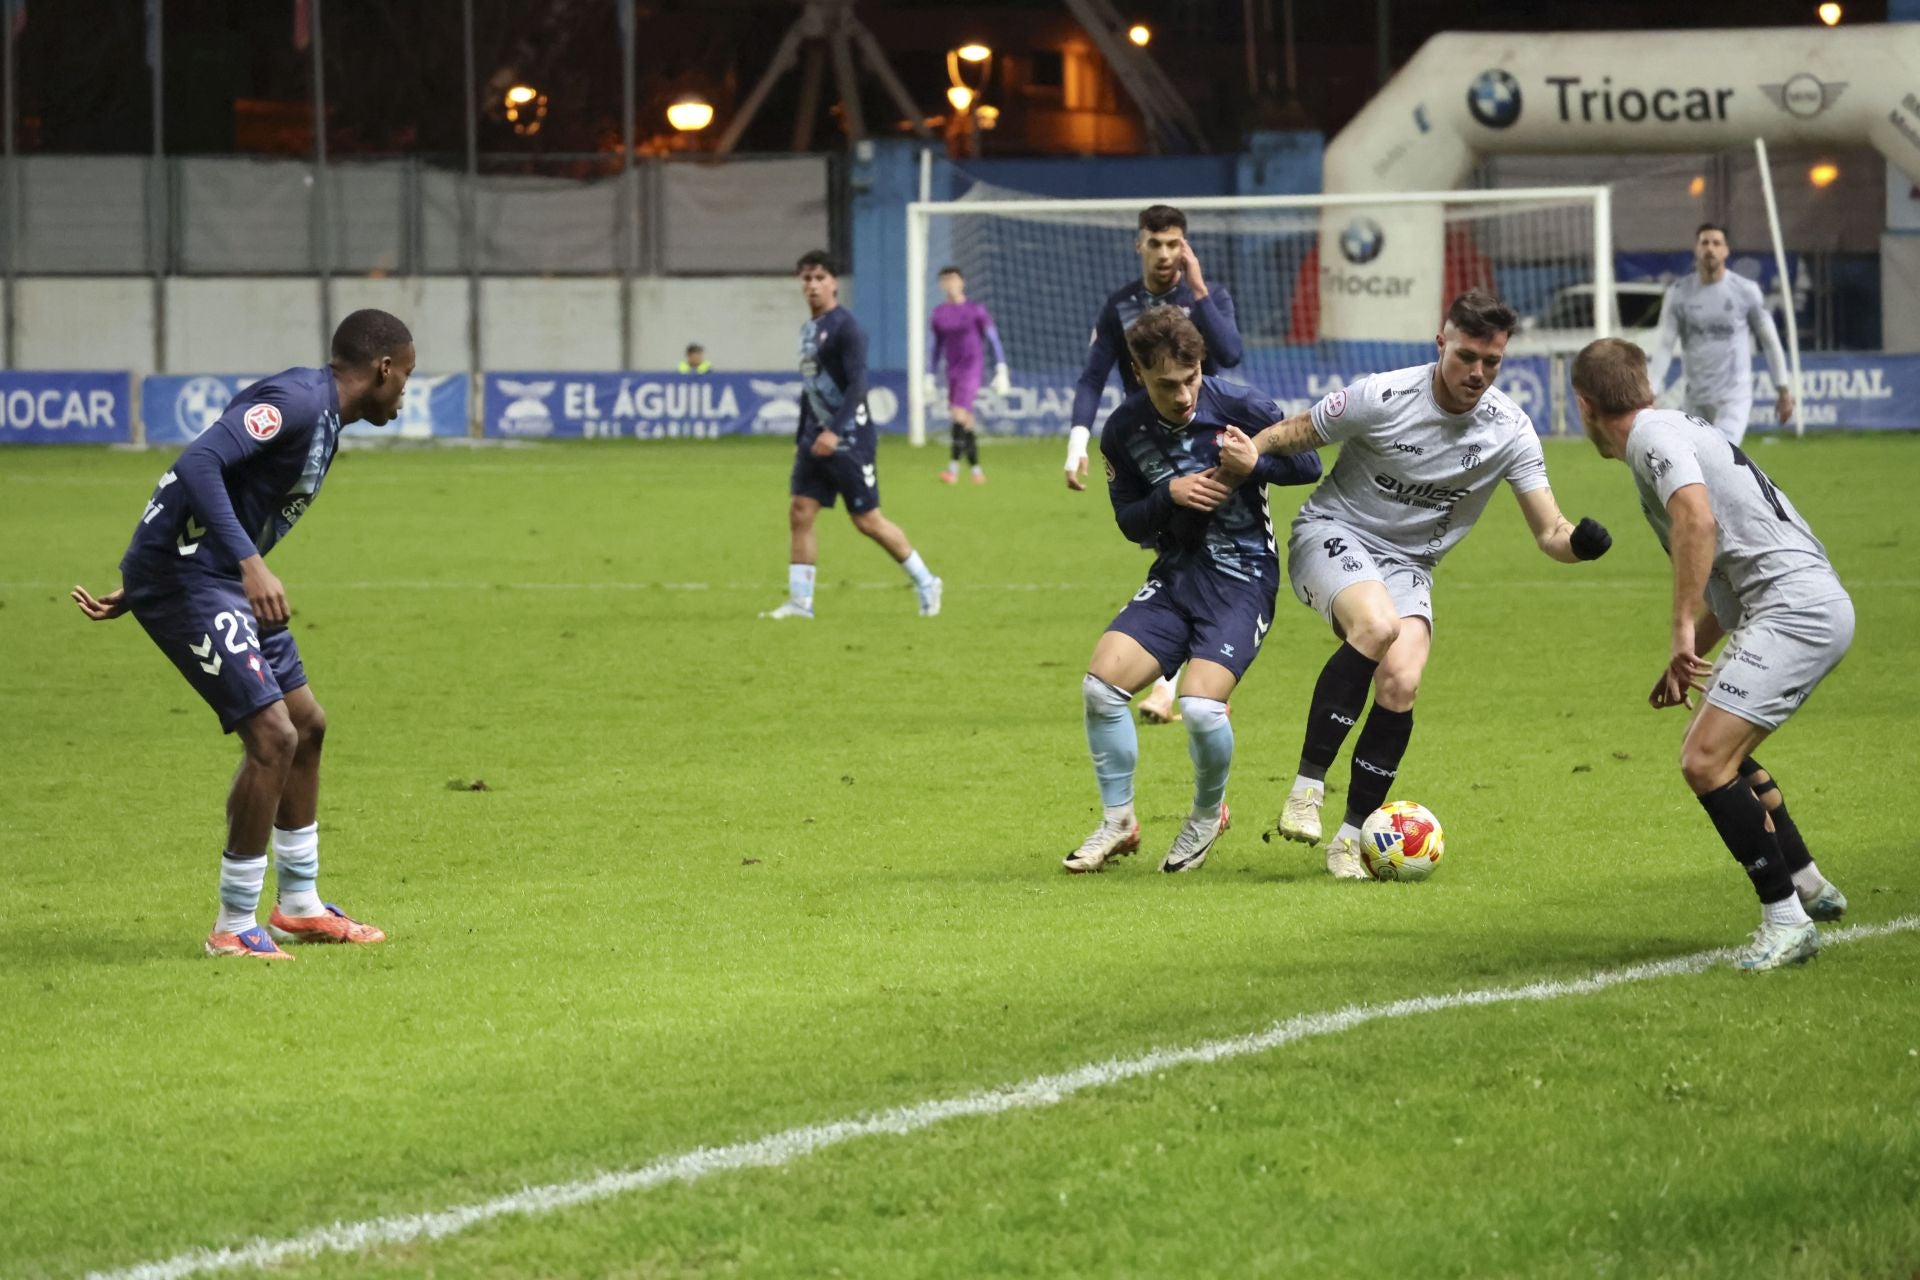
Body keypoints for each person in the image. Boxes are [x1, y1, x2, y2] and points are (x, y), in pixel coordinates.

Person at [69, 309, 416, 960]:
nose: (406, 393)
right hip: (198, 579)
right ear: (383, 368)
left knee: (307, 725)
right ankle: (232, 925)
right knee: (273, 736)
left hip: (207, 574)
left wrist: (150, 568)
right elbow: (198, 463)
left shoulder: (322, 415)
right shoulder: (298, 402)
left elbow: (217, 480)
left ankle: (300, 906)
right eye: (407, 378)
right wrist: (212, 568)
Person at [1244, 290, 1614, 879]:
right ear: (1441, 343)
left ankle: (1349, 839)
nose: (1478, 373)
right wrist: (1250, 453)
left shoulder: (1510, 431)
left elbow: (1550, 531)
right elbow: (1299, 431)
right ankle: (1306, 790)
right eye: (1467, 356)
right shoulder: (1382, 395)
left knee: (1402, 680)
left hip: (1408, 567)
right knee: (1377, 626)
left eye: (1491, 363)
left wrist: (1579, 546)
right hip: (1333, 533)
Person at [1572, 337, 1850, 970]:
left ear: (1583, 404)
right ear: (1644, 384)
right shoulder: (1676, 426)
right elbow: (1725, 584)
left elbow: (1698, 522)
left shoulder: (1649, 440)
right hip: (1800, 605)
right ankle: (1806, 882)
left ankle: (1785, 920)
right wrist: (1688, 651)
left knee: (1703, 760)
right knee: (1719, 743)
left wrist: (1676, 630)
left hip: (1795, 612)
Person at [1064, 307, 1320, 875]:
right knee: (1100, 689)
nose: (1182, 395)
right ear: (1137, 373)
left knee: (1201, 709)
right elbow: (1130, 522)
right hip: (1177, 578)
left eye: (1190, 378)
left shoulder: (1241, 406)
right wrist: (1169, 496)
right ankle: (1119, 821)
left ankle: (1207, 815)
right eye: (1165, 384)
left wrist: (1254, 463)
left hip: (1244, 579)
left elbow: (1308, 463)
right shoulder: (1123, 429)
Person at [1064, 204, 1245, 724]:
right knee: (1176, 555)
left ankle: (1180, 685)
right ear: (1138, 244)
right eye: (1156, 243)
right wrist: (1077, 442)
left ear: (1184, 247)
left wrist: (1201, 288)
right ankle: (1191, 679)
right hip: (1145, 451)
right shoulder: (1119, 306)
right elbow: (1093, 377)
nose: (1165, 254)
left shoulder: (1204, 296)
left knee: (1190, 554)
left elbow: (1230, 354)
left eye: (1174, 245)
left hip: (1205, 448)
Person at [762, 250, 942, 620]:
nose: (812, 285)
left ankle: (926, 580)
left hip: (849, 440)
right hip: (815, 439)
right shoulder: (808, 330)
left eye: (820, 278)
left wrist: (834, 430)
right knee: (800, 511)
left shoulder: (847, 327)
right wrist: (804, 434)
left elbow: (859, 384)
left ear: (833, 284)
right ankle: (800, 602)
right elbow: (811, 387)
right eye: (806, 279)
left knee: (867, 521)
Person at [1644, 223, 1793, 445]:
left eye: (1716, 243)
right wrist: (1651, 390)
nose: (1710, 249)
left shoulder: (1745, 291)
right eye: (1705, 243)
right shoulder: (1678, 294)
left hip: (1733, 398)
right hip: (1694, 399)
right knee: (1698, 467)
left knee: (1721, 456)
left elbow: (1770, 342)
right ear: (1696, 249)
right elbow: (1665, 345)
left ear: (1726, 250)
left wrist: (1783, 389)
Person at [925, 265, 1010, 485]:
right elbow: (936, 347)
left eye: (954, 279)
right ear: (942, 285)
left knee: (957, 414)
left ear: (962, 282)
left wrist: (1001, 368)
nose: (950, 284)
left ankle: (952, 470)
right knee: (967, 421)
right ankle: (976, 472)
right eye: (946, 280)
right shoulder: (939, 314)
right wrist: (930, 375)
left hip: (972, 367)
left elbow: (993, 339)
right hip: (952, 369)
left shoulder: (976, 311)